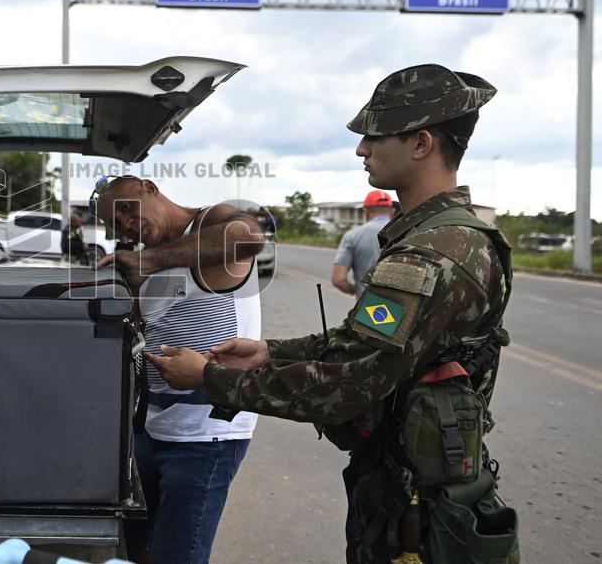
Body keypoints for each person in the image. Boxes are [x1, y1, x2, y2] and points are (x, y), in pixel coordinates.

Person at [145, 64, 518, 563]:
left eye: (374, 136)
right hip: (414, 485)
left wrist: (209, 377)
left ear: (421, 143)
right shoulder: (442, 237)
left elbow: (347, 382)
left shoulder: (431, 254)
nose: (362, 149)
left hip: (421, 506)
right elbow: (364, 341)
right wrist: (269, 352)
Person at [92, 175, 264, 564]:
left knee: (178, 554)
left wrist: (149, 261)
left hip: (205, 434)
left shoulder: (207, 222)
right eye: (115, 223)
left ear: (149, 188)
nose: (126, 223)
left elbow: (248, 236)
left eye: (125, 209)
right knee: (136, 547)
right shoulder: (148, 254)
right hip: (150, 428)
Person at [332, 190, 396, 296]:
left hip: (367, 302)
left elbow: (338, 280)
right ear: (392, 211)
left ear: (365, 211)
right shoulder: (407, 232)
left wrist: (356, 291)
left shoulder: (352, 236)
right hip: (400, 302)